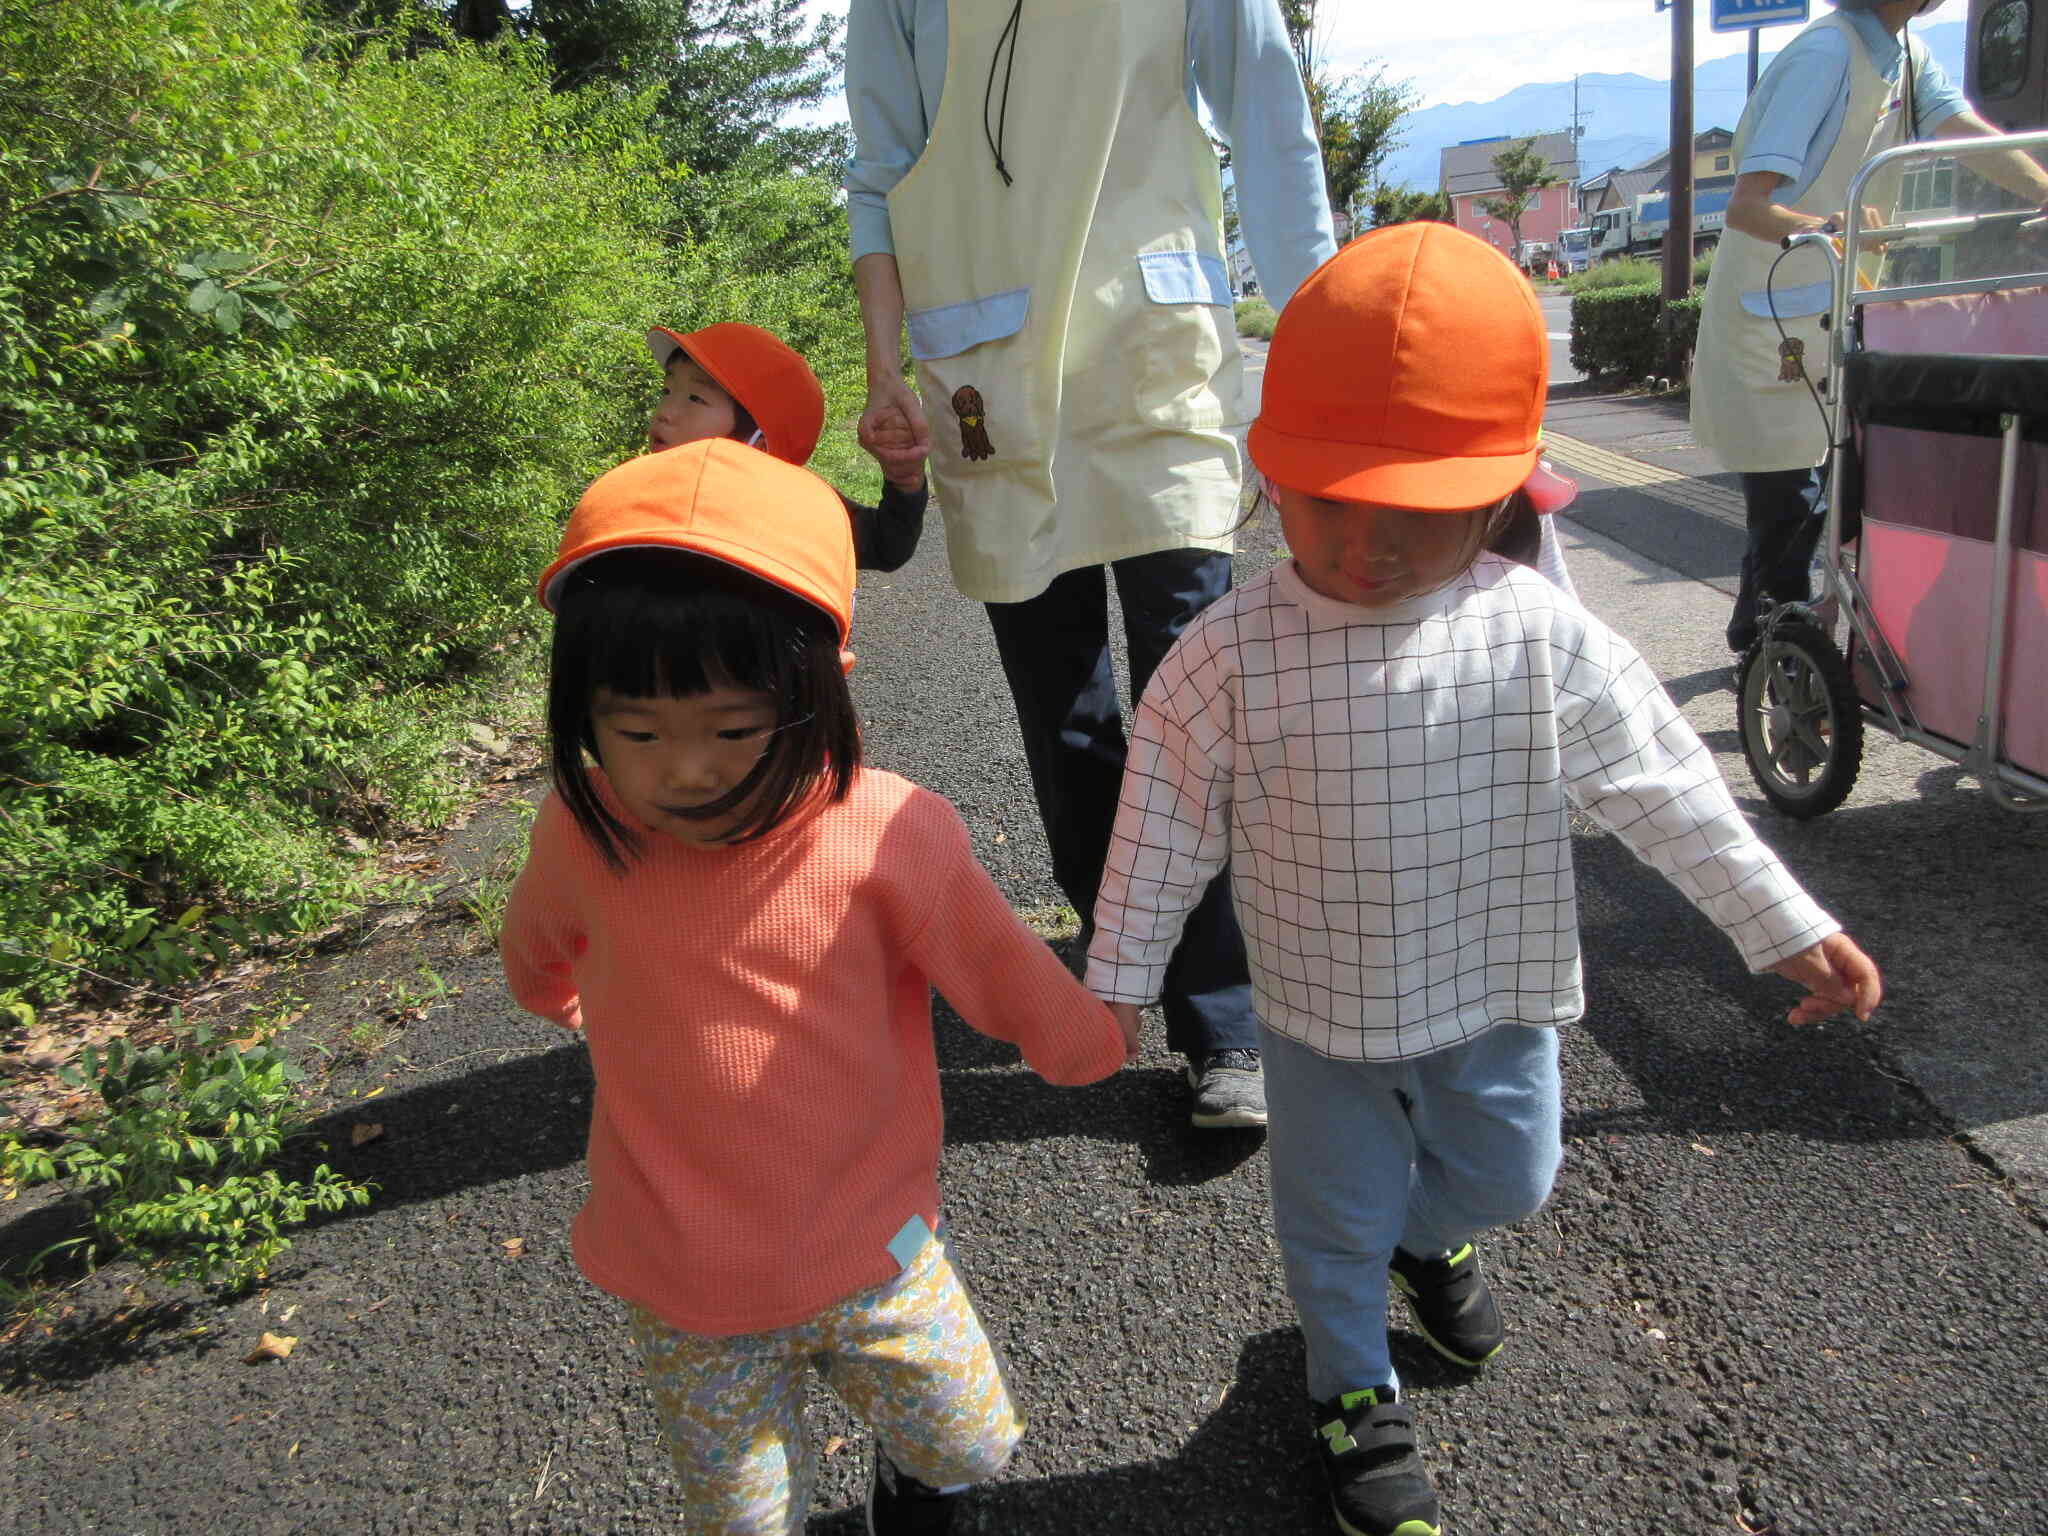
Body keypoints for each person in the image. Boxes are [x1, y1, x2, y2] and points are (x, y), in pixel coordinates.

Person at [1086, 225, 1885, 1536]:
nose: (1366, 545)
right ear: (1266, 471)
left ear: (1506, 491)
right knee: (1327, 1218)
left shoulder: (1534, 631)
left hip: (1494, 983)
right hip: (1316, 1008)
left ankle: (1424, 1234)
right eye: (1328, 497)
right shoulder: (1229, 653)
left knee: (1512, 1179)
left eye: (1419, 512)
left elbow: (1667, 788)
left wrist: (1777, 922)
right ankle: (1351, 1384)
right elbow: (1161, 822)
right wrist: (1115, 981)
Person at [500, 439, 1135, 1535]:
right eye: (635, 731)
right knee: (740, 1520)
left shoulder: (885, 827)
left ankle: (914, 1483)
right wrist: (574, 1005)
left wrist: (1083, 1039)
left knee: (969, 1442)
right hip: (683, 1284)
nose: (684, 768)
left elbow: (998, 968)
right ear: (581, 710)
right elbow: (537, 952)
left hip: (875, 1245)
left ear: (817, 689)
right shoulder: (583, 825)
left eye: (734, 729)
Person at [843, 0, 1337, 1127]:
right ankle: (1126, 949)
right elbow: (879, 175)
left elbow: (1267, 122)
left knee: (1192, 697)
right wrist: (880, 367)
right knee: (1065, 716)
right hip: (988, 376)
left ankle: (1221, 1018)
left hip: (1156, 358)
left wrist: (1323, 336)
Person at [1692, 0, 2048, 656]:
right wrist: (1832, 230)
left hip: (1832, 302)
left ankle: (1760, 639)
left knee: (1818, 497)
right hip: (1775, 313)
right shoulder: (1824, 56)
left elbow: (1964, 134)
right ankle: (1787, 673)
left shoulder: (1903, 50)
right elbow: (1748, 205)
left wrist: (2044, 191)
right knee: (1795, 500)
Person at [647, 321, 928, 571]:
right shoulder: (642, 492)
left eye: (695, 399)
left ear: (760, 443)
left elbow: (885, 545)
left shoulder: (792, 509)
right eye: (667, 391)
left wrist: (904, 481)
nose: (665, 412)